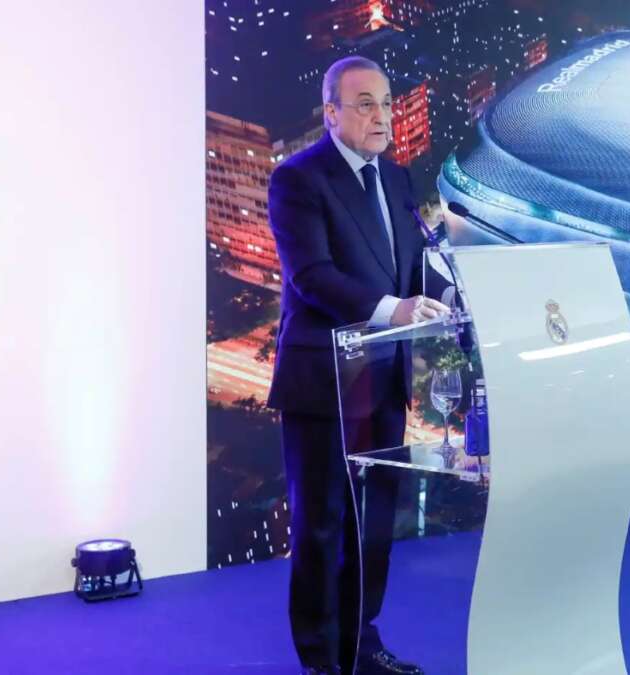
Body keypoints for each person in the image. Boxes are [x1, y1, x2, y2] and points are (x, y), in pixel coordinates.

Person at [266, 55, 449, 675]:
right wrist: (392, 309)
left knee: (373, 527)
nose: (382, 115)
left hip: (382, 379)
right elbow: (312, 276)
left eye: (388, 103)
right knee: (322, 528)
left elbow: (413, 265)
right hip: (324, 384)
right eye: (365, 103)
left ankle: (361, 644)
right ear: (332, 113)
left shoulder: (396, 179)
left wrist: (451, 294)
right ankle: (323, 660)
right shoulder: (298, 179)